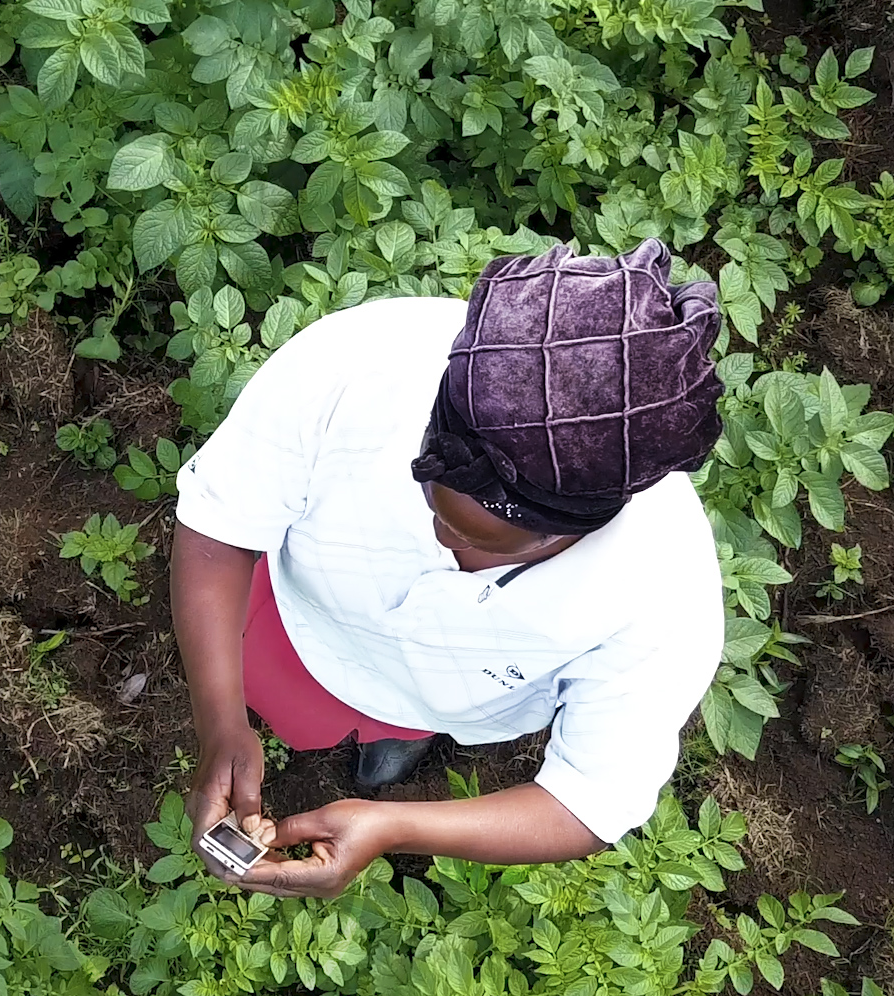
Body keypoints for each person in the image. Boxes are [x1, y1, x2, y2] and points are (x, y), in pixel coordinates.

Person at [171, 240, 726, 899]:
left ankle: (399, 737)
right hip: (295, 621)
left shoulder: (664, 595)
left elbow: (590, 798)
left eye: (483, 542)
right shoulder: (355, 364)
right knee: (268, 685)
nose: (442, 539)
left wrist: (392, 825)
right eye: (434, 502)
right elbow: (219, 529)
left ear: (577, 527)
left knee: (399, 721)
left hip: (436, 697)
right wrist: (220, 720)